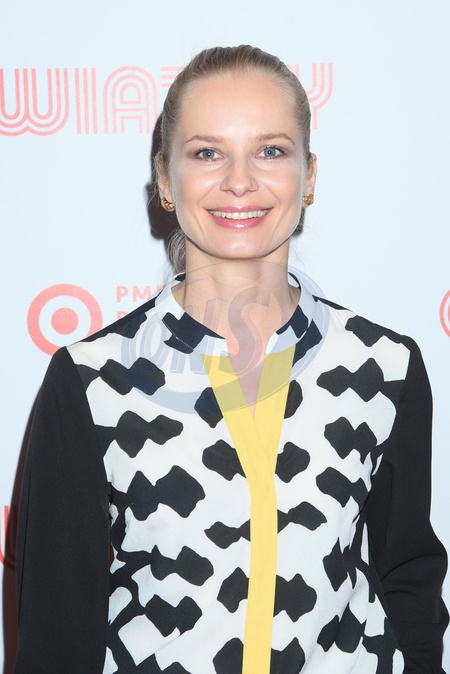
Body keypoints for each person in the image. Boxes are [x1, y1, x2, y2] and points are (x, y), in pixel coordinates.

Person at [14, 45, 447, 674]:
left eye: (270, 150)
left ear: (310, 176)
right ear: (166, 180)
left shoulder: (385, 367)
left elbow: (407, 574)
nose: (239, 181)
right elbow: (55, 626)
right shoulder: (93, 380)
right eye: (206, 153)